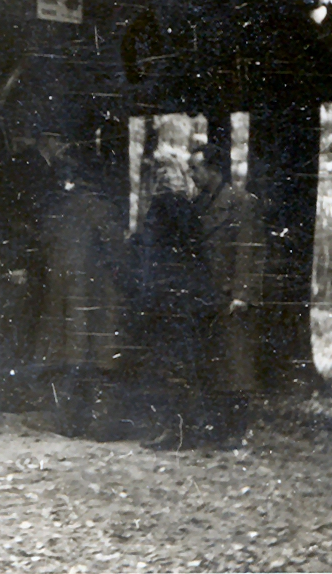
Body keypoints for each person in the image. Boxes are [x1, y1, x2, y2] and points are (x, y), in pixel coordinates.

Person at [35, 142, 129, 438]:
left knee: (70, 358)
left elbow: (45, 246)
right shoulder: (101, 207)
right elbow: (118, 252)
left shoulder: (58, 207)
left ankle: (68, 422)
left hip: (64, 295)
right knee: (100, 359)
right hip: (96, 294)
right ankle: (100, 425)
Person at [135, 154, 215, 450]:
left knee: (171, 363)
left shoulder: (163, 206)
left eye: (158, 174)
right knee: (184, 361)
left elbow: (153, 251)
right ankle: (186, 428)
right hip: (185, 295)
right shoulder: (188, 208)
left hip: (167, 296)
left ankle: (176, 431)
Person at [190, 143, 266, 444]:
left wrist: (243, 293)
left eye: (195, 168)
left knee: (236, 367)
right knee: (212, 364)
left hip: (231, 297)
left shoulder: (241, 202)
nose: (191, 174)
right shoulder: (199, 204)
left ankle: (236, 431)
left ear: (213, 169)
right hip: (206, 295)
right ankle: (216, 428)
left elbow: (250, 250)